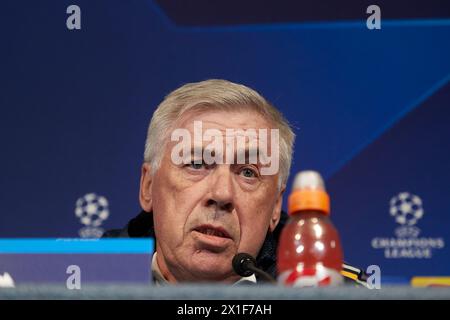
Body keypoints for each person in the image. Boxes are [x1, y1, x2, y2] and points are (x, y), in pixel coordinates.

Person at [104, 79, 368, 286]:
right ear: (148, 186)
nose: (221, 194)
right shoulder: (79, 283)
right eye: (196, 164)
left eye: (248, 172)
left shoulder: (330, 296)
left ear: (275, 206)